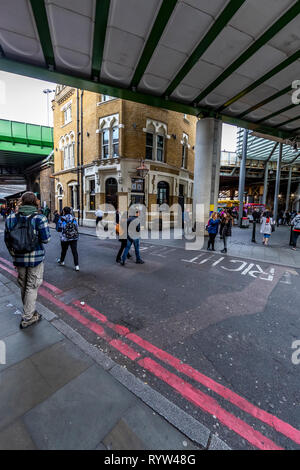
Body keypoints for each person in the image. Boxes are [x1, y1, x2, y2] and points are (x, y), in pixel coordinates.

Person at [4, 192, 51, 329]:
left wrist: (14, 254)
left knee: (24, 285)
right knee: (32, 286)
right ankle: (28, 317)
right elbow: (46, 239)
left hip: (19, 258)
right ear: (35, 202)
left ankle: (29, 311)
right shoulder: (40, 218)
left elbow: (7, 241)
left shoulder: (11, 218)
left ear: (21, 202)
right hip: (35, 258)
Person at [56, 206, 80, 271]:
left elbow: (58, 229)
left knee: (64, 250)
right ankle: (77, 265)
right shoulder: (74, 218)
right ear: (70, 211)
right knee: (74, 251)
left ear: (63, 211)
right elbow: (77, 227)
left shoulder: (61, 219)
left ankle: (62, 261)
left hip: (65, 238)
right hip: (74, 237)